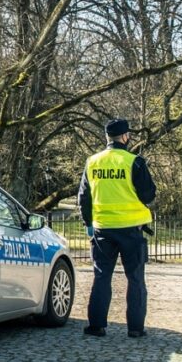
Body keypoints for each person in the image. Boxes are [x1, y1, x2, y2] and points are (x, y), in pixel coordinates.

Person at [77, 118, 156, 338]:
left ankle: (96, 326)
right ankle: (135, 328)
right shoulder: (135, 162)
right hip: (131, 229)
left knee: (102, 276)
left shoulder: (92, 162)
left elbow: (84, 197)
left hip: (103, 228)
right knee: (135, 278)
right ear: (125, 137)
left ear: (107, 137)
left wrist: (88, 223)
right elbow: (148, 194)